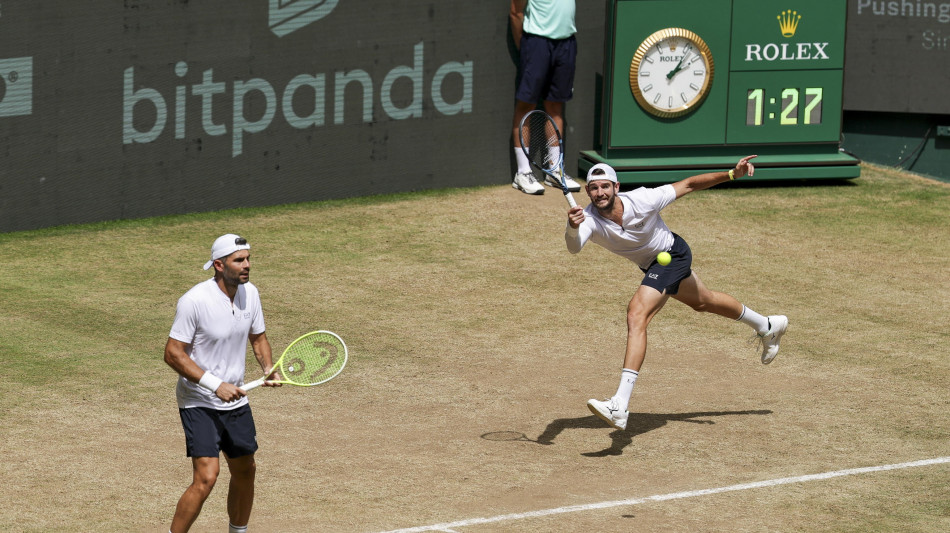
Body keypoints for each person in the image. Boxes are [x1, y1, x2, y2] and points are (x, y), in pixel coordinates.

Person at [565, 157, 788, 430]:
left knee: (637, 315)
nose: (600, 193)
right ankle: (767, 325)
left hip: (673, 254)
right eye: (594, 188)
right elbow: (574, 247)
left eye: (605, 186)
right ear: (587, 192)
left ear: (616, 187)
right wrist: (573, 226)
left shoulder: (644, 199)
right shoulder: (586, 218)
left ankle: (619, 404)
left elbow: (690, 184)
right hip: (653, 265)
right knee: (704, 302)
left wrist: (732, 174)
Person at [164, 233, 280, 533]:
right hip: (199, 400)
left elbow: (258, 338)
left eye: (248, 259)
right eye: (239, 260)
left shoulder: (250, 293)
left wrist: (268, 367)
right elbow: (173, 354)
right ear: (219, 264)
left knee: (245, 470)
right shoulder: (194, 301)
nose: (247, 265)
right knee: (207, 477)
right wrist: (215, 384)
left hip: (236, 399)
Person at [509, 0, 582, 195]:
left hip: (566, 42)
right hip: (536, 42)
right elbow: (516, 13)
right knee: (526, 106)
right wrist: (526, 50)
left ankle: (554, 170)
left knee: (556, 106)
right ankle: (523, 173)